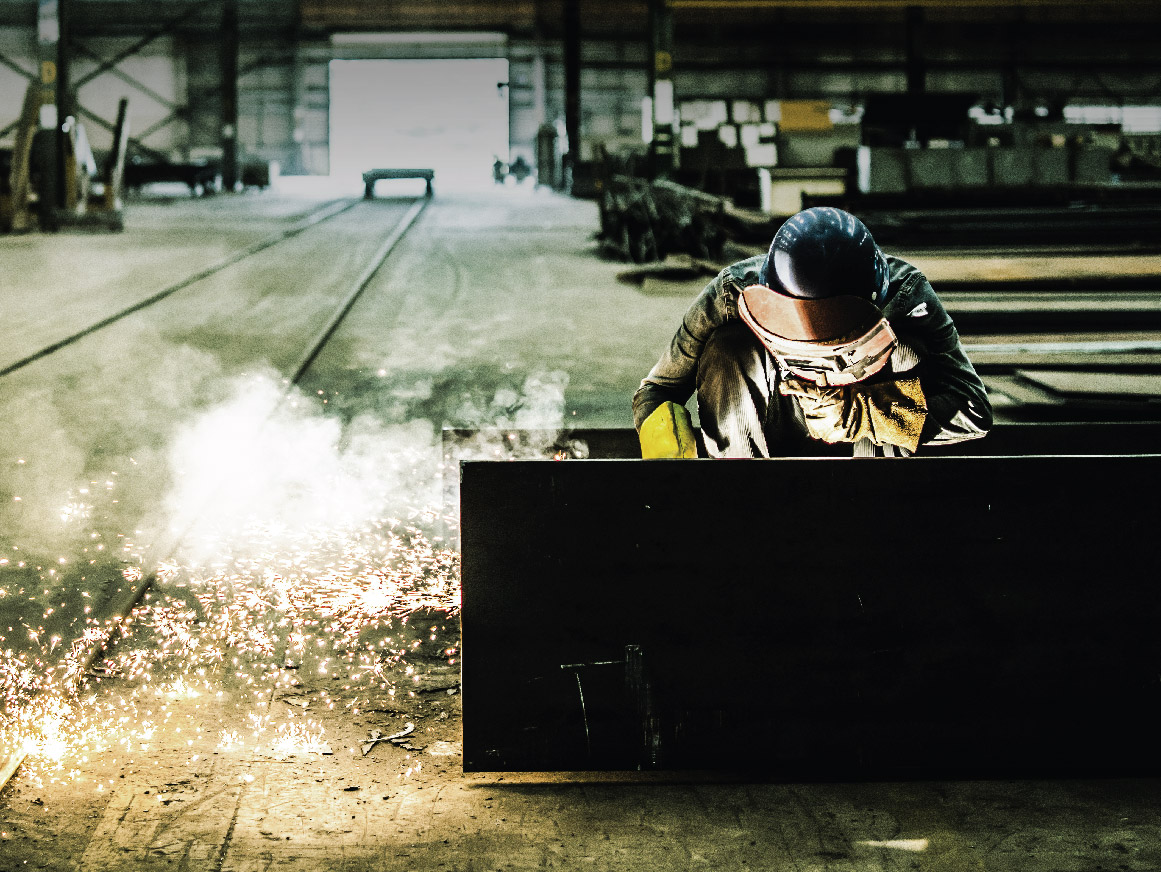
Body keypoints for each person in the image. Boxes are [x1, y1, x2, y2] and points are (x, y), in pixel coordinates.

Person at [634, 207, 991, 458]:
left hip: (863, 442)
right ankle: (738, 501)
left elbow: (973, 411)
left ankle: (877, 511)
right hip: (771, 425)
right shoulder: (730, 294)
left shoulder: (906, 297)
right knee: (727, 348)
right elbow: (657, 389)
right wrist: (666, 447)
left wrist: (862, 413)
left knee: (905, 353)